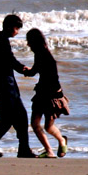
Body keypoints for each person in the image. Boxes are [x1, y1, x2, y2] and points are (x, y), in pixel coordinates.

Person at [0, 14, 36, 158]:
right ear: (11, 27)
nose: (17, 32)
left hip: (5, 86)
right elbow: (9, 60)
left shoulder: (0, 40)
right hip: (4, 87)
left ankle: (22, 149)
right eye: (17, 28)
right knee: (11, 118)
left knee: (18, 117)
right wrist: (24, 69)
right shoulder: (1, 41)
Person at [23, 28, 69, 158]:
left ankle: (61, 141)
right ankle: (50, 149)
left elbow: (35, 72)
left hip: (49, 94)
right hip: (47, 92)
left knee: (42, 125)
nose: (28, 45)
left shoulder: (41, 54)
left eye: (29, 42)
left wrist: (26, 71)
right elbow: (38, 70)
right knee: (41, 125)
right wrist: (30, 71)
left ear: (34, 42)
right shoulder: (44, 53)